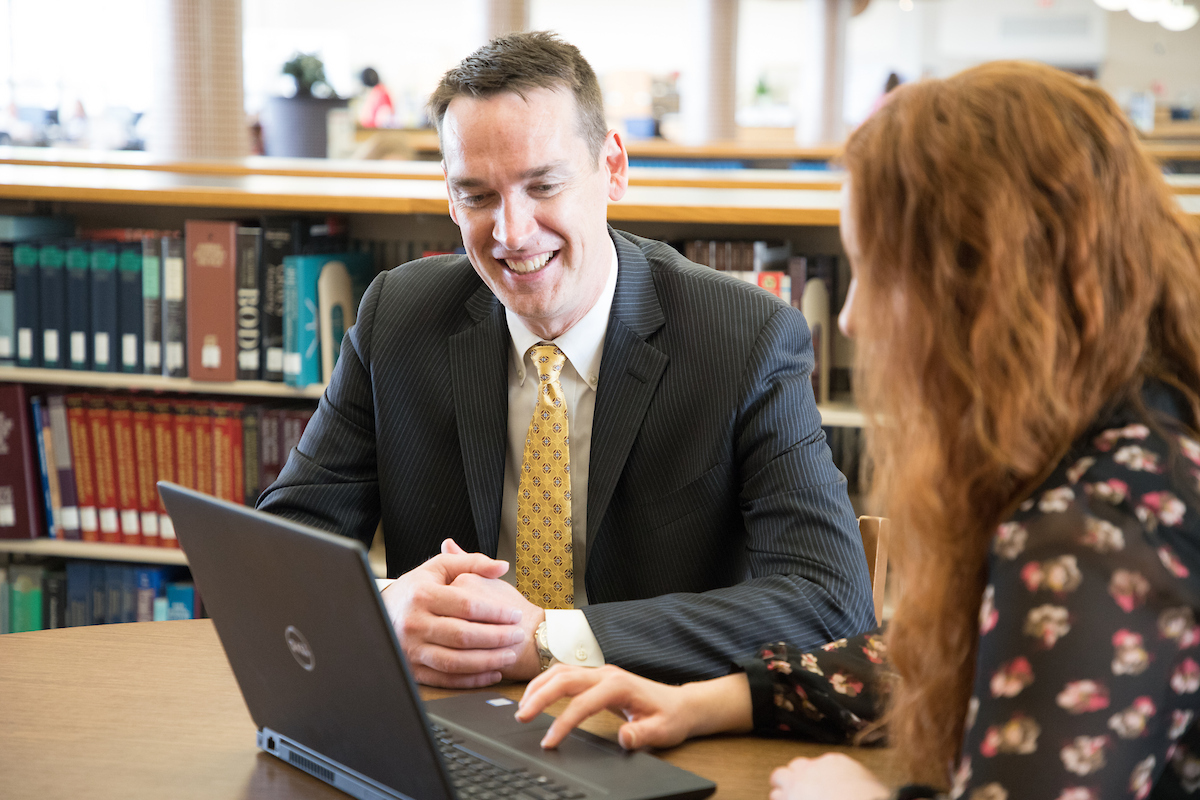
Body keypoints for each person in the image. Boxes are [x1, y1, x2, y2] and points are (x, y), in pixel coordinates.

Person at [514, 60, 1200, 798]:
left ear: (989, 288)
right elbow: (943, 650)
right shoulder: (1124, 439)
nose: (850, 318)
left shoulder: (1094, 529)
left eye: (878, 272)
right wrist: (710, 700)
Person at [256, 31, 874, 690]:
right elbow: (274, 551)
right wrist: (385, 608)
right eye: (477, 195)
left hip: (647, 718)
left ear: (612, 169)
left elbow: (830, 602)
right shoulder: (398, 320)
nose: (512, 233)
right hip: (450, 719)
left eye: (542, 184)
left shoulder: (745, 341)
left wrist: (553, 641)